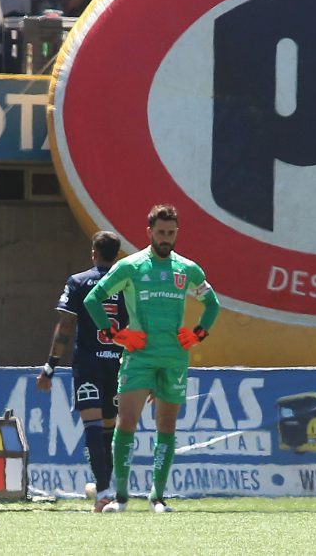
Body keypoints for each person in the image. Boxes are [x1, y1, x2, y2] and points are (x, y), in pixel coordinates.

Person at [83, 204, 220, 513]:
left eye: (171, 233)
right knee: (127, 421)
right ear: (149, 232)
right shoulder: (131, 266)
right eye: (160, 233)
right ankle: (120, 497)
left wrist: (198, 333)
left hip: (173, 358)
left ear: (176, 233)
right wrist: (117, 334)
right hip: (139, 356)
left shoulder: (187, 269)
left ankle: (157, 496)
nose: (165, 238)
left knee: (167, 424)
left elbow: (213, 304)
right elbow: (93, 299)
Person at [36, 231, 128, 512]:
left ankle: (102, 492)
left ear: (93, 253)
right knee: (110, 430)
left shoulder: (78, 282)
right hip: (118, 363)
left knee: (92, 425)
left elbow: (65, 327)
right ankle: (109, 490)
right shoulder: (127, 282)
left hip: (89, 364)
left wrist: (50, 366)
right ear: (118, 255)